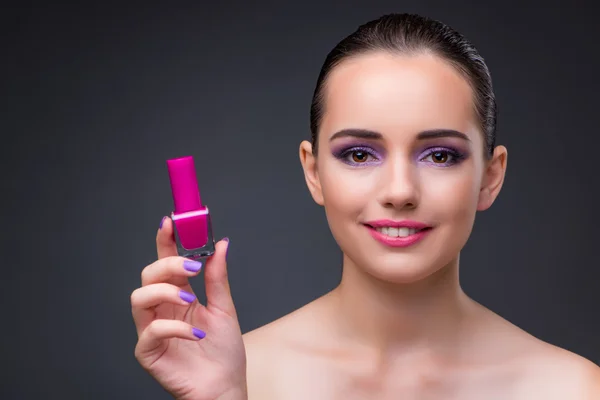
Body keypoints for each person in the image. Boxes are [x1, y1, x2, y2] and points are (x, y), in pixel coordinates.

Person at [130, 13, 600, 400]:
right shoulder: (242, 376)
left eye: (440, 155)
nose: (399, 191)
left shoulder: (572, 388)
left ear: (490, 177)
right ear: (313, 172)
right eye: (359, 154)